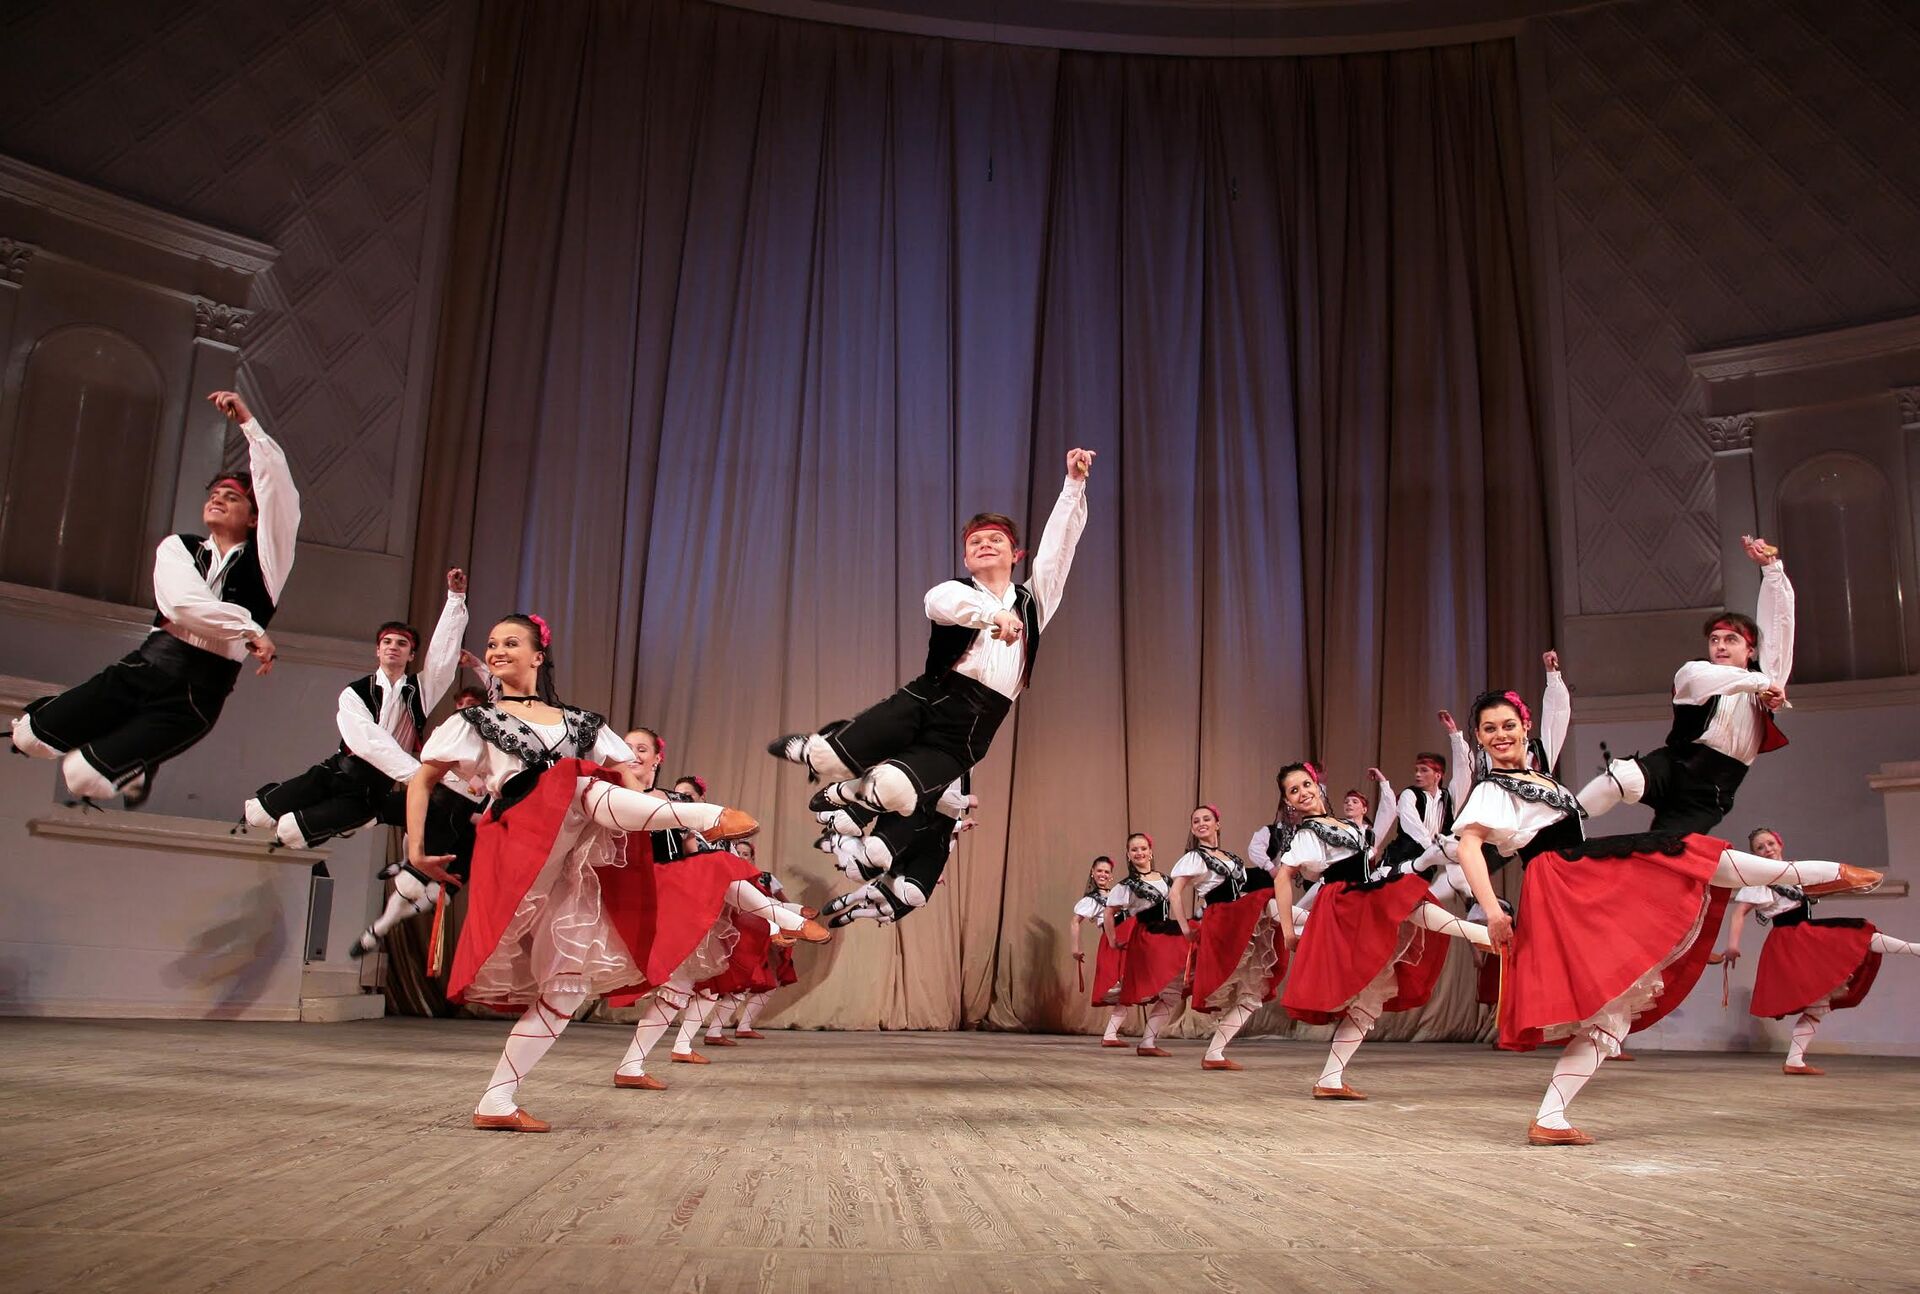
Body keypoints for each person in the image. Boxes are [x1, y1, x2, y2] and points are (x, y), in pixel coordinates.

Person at [404, 613, 806, 1131]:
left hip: (571, 859)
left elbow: (625, 783)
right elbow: (423, 780)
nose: (498, 650)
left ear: (538, 656)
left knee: (567, 987)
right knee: (573, 778)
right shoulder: (475, 721)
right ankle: (703, 817)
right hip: (520, 840)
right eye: (492, 643)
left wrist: (646, 820)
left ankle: (496, 1101)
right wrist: (418, 850)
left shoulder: (582, 723)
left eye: (511, 642)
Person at [1452, 681, 1881, 1146]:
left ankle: (1550, 1119)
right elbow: (1470, 846)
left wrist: (1555, 685)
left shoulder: (1540, 778)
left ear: (1525, 727)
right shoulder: (1491, 788)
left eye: (1508, 725)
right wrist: (1493, 911)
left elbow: (1557, 720)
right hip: (1562, 881)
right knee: (1680, 855)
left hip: (1580, 875)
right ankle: (1810, 873)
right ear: (1479, 738)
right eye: (1489, 729)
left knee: (1614, 1010)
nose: (1500, 735)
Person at [769, 450, 1094, 821]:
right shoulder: (953, 592)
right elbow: (941, 604)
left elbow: (1057, 552)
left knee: (892, 791)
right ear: (966, 559)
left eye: (996, 540)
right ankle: (813, 753)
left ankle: (847, 792)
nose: (985, 545)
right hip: (927, 700)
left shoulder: (1033, 601)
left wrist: (1073, 485)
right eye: (975, 542)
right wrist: (994, 614)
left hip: (972, 729)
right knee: (829, 758)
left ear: (1015, 555)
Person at [11, 391, 299, 804]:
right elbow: (181, 605)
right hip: (143, 668)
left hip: (195, 696)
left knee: (81, 779)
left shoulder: (269, 562)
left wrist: (249, 424)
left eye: (231, 496)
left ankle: (136, 763)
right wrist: (250, 628)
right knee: (28, 738)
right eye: (214, 494)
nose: (217, 498)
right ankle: (89, 728)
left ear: (255, 518)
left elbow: (280, 492)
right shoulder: (178, 547)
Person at [1277, 763, 1490, 1099]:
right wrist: (1289, 931)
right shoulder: (1307, 834)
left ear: (1317, 785)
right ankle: (1483, 936)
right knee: (1408, 898)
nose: (1302, 793)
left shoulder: (1343, 825)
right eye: (1293, 791)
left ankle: (1330, 1079)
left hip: (1362, 893)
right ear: (1289, 802)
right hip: (1346, 901)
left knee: (1371, 997)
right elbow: (1282, 877)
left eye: (1305, 784)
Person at [244, 568, 471, 852]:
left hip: (370, 792)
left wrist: (455, 598)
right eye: (387, 642)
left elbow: (442, 661)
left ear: (412, 654)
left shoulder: (419, 692)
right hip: (336, 774)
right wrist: (419, 776)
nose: (393, 647)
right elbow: (367, 741)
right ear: (377, 650)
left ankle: (344, 822)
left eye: (402, 644)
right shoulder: (355, 693)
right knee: (257, 813)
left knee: (290, 832)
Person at [1576, 536, 1792, 833]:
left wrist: (1771, 569)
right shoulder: (1695, 673)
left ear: (1751, 650)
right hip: (1675, 764)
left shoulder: (1763, 684)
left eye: (1731, 640)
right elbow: (1712, 680)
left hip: (1713, 789)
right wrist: (1763, 682)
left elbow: (1780, 628)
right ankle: (1562, 823)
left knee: (1668, 851)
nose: (1720, 646)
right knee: (1619, 778)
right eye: (1714, 640)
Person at [1716, 826, 1917, 1076]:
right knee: (1858, 933)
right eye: (1760, 848)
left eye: (1770, 844)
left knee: (1819, 1003)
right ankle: (1916, 949)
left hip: (1805, 934)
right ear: (1754, 855)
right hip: (1791, 938)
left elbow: (1824, 880)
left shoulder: (1795, 872)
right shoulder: (1759, 881)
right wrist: (1733, 945)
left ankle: (1794, 1060)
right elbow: (1738, 913)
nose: (1767, 849)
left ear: (1779, 844)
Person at [1170, 806, 1291, 1071]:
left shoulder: (1231, 859)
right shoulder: (1195, 858)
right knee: (1267, 901)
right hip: (1222, 917)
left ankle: (1214, 1054)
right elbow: (1175, 894)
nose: (1201, 823)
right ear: (1192, 829)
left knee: (1252, 995)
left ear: (1218, 824)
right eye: (1196, 821)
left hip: (1238, 916)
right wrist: (1186, 929)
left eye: (1206, 819)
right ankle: (1321, 923)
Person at [1107, 833, 1187, 1058]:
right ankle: (1144, 1041)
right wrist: (1112, 940)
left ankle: (1147, 1042)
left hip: (1167, 932)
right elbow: (1109, 912)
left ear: (1151, 851)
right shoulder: (1127, 885)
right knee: (1167, 989)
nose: (1139, 853)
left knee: (1172, 993)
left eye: (1143, 848)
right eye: (1134, 850)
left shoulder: (1166, 880)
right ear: (1128, 855)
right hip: (1148, 937)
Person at [1071, 856, 1131, 1046]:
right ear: (1092, 873)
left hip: (1128, 941)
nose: (1103, 874)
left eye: (1106, 872)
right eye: (1099, 871)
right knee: (1125, 988)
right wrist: (1075, 948)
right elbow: (1075, 922)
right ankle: (1110, 1035)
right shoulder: (1092, 899)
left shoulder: (1117, 894)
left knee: (1129, 989)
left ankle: (1110, 1035)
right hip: (1113, 942)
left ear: (1111, 876)